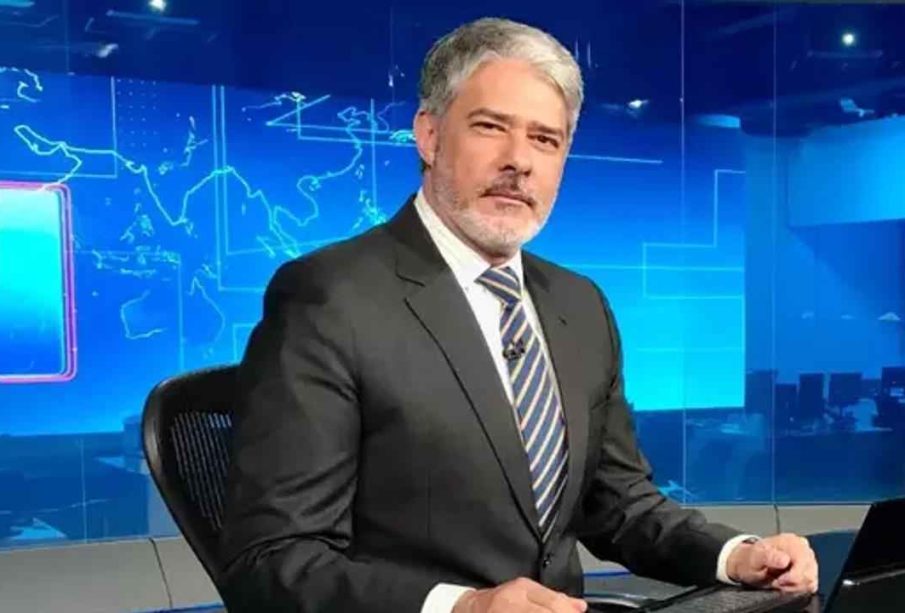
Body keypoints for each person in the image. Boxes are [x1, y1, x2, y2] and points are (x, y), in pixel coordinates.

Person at [220, 17, 818, 613]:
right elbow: (273, 559)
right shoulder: (329, 298)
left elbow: (618, 502)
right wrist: (464, 608)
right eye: (490, 127)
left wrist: (736, 555)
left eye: (545, 139)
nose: (519, 161)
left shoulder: (580, 305)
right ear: (429, 135)